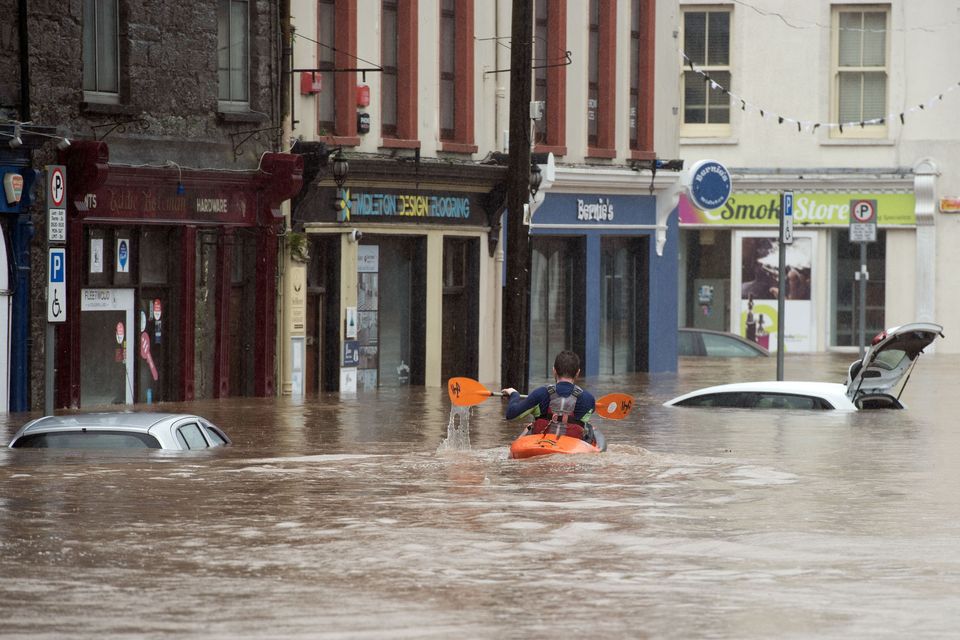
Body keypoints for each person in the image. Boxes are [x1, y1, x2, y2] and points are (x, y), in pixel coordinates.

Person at [501, 350, 597, 443]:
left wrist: (514, 395)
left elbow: (511, 415)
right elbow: (589, 413)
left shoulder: (540, 393)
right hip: (571, 449)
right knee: (589, 427)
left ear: (554, 371)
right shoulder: (589, 399)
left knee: (530, 427)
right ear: (578, 373)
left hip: (541, 446)